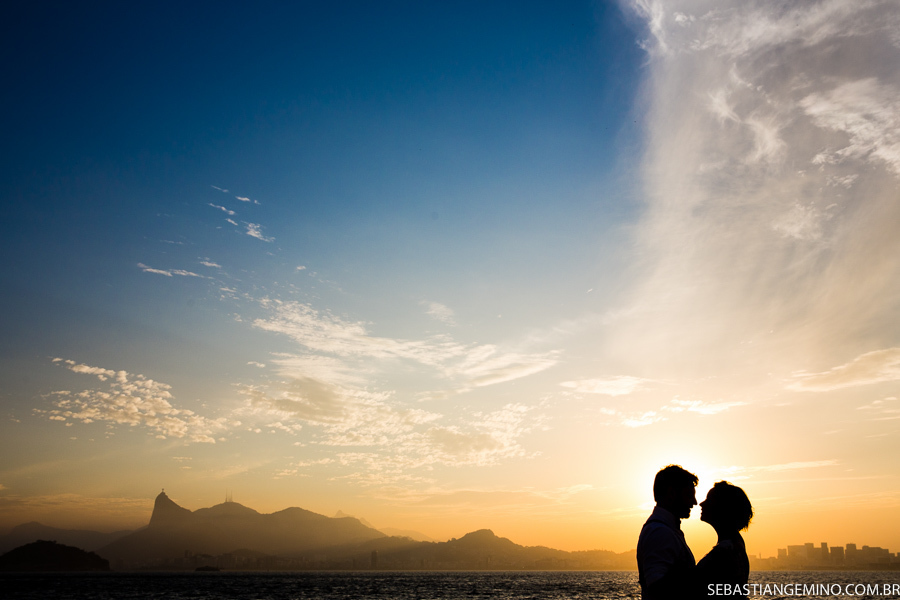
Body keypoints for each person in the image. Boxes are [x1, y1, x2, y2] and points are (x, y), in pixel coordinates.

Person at [637, 464, 699, 599]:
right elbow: (657, 588)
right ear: (671, 493)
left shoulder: (666, 530)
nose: (694, 502)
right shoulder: (659, 532)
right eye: (689, 495)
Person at [696, 481, 753, 598]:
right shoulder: (735, 544)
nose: (701, 504)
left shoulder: (724, 552)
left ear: (722, 507)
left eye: (709, 500)